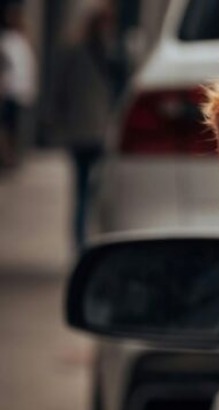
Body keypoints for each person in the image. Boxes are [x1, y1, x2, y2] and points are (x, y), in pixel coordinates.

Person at [54, 2, 117, 251]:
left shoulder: (80, 51)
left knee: (85, 191)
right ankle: (85, 241)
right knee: (89, 191)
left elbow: (59, 91)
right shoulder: (106, 53)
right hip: (94, 131)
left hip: (84, 130)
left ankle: (83, 242)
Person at [0, 0, 37, 169]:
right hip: (11, 91)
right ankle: (9, 157)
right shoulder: (8, 40)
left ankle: (12, 157)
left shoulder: (22, 41)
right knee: (8, 127)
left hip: (20, 91)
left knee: (13, 127)